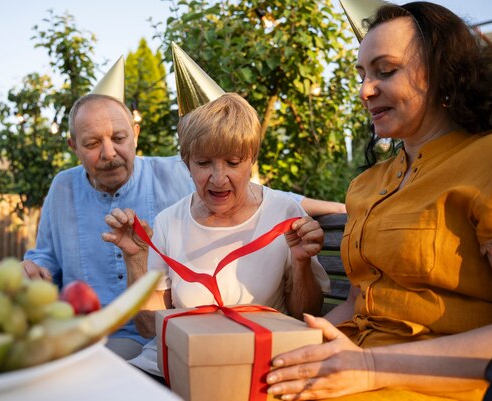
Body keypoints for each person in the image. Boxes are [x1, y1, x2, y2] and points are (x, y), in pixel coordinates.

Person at [264, 0, 492, 401]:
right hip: (355, 368)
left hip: (448, 386)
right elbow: (359, 304)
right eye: (362, 74)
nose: (365, 90)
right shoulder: (368, 184)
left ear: (443, 73)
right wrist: (285, 346)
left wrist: (370, 367)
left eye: (385, 71)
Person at [21, 59, 345, 360]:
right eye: (92, 144)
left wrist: (343, 207)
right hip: (108, 336)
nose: (109, 153)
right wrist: (33, 268)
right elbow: (44, 256)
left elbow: (267, 200)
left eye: (118, 137)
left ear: (135, 134)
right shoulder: (70, 190)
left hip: (192, 349)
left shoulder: (179, 174)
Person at [103, 92, 331, 376]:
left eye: (233, 162)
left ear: (252, 159)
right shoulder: (168, 222)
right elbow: (150, 327)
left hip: (252, 369)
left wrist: (301, 263)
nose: (219, 178)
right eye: (203, 163)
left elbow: (305, 316)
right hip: (175, 366)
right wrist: (136, 259)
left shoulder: (285, 213)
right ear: (186, 162)